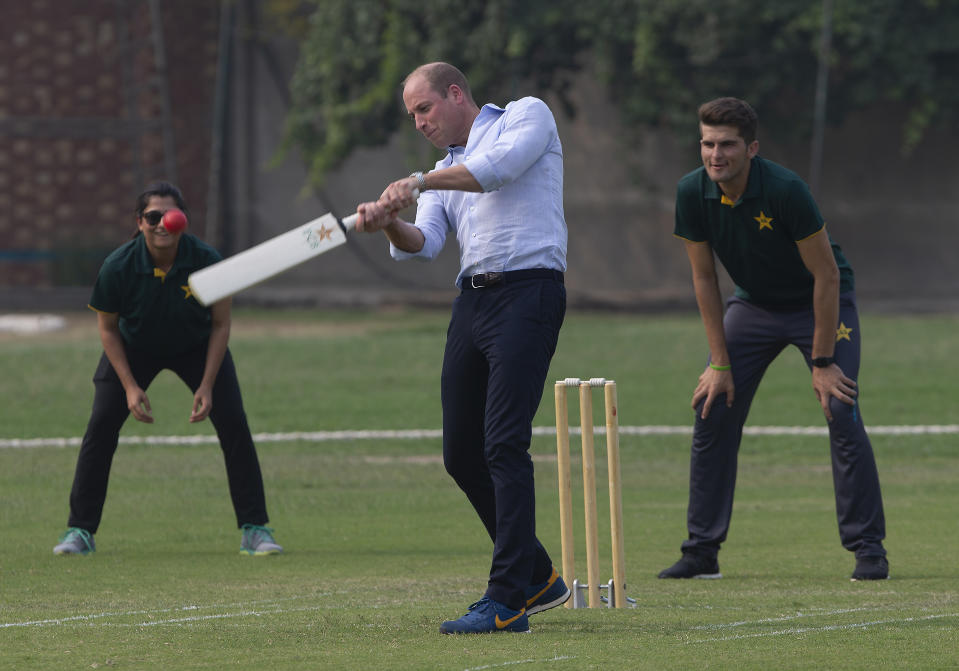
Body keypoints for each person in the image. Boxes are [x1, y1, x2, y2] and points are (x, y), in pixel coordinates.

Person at [354, 62, 570, 634]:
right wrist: (388, 223)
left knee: (503, 443)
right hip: (472, 302)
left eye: (424, 108)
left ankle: (507, 601)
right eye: (412, 116)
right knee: (460, 453)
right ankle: (541, 575)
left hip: (529, 292)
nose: (419, 122)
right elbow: (421, 247)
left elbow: (494, 172)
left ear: (455, 94)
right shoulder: (441, 170)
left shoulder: (526, 116)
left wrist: (418, 183)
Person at [659, 97, 888, 582]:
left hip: (820, 302)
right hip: (755, 306)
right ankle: (702, 552)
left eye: (727, 145)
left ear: (752, 148)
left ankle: (869, 549)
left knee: (840, 407)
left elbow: (825, 276)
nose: (714, 155)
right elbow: (704, 279)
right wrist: (718, 363)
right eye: (707, 143)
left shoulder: (786, 189)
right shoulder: (691, 192)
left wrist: (823, 361)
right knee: (711, 404)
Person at [53, 182, 282, 557]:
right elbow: (108, 330)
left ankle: (255, 528)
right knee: (101, 427)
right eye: (152, 217)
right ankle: (79, 531)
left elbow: (221, 325)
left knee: (234, 423)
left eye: (169, 216)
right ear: (139, 222)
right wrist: (128, 386)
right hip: (134, 347)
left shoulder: (206, 260)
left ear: (183, 221)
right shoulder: (119, 266)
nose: (161, 224)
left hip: (196, 345)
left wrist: (207, 385)